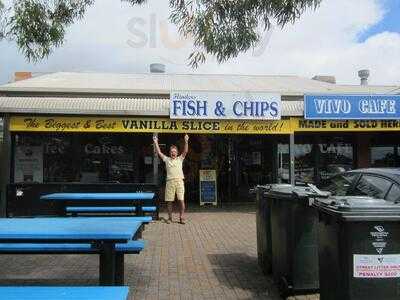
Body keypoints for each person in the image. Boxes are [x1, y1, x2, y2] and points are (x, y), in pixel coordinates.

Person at [153, 134, 189, 224]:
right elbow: (159, 152)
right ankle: (169, 218)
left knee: (181, 200)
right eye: (172, 151)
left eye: (174, 151)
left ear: (177, 152)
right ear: (170, 152)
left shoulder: (180, 159)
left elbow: (185, 151)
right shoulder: (167, 159)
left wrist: (186, 141)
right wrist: (156, 142)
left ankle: (182, 217)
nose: (173, 153)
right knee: (169, 201)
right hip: (170, 182)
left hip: (179, 181)